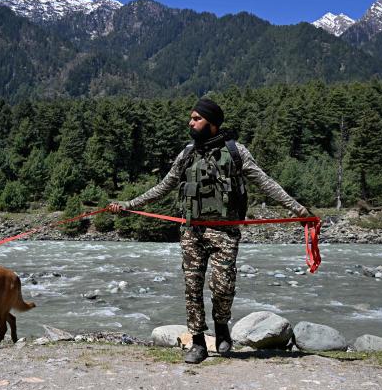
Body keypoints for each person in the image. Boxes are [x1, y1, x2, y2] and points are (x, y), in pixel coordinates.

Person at [108, 98, 311, 364]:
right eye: (191, 118)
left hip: (225, 233)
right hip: (192, 232)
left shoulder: (236, 152)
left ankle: (222, 326)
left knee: (222, 287)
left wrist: (298, 210)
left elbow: (266, 183)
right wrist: (128, 205)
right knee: (192, 288)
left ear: (212, 124)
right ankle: (198, 342)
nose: (190, 123)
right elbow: (164, 186)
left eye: (196, 119)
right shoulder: (187, 154)